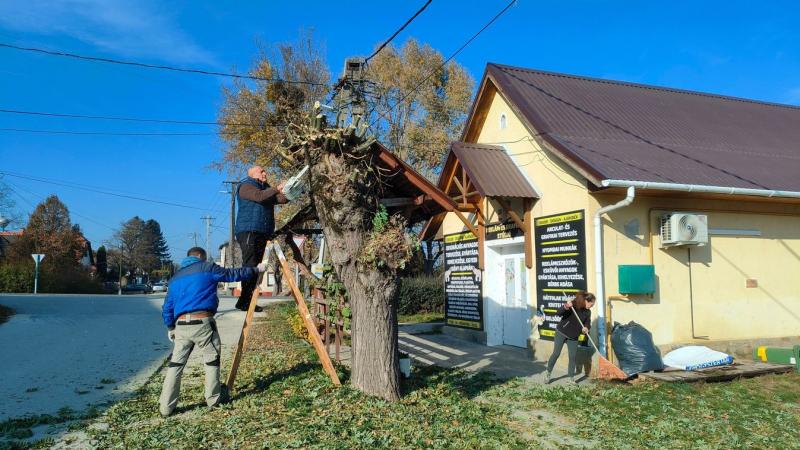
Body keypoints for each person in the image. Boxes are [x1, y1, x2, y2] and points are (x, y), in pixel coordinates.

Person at [159, 247, 268, 417]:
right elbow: (232, 274)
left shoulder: (175, 278)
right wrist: (256, 270)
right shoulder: (207, 268)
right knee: (211, 360)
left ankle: (166, 407)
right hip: (203, 322)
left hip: (180, 325)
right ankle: (213, 399)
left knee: (176, 365)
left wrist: (170, 327)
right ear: (200, 256)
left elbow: (167, 307)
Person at [234, 165, 288, 312]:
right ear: (252, 174)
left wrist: (291, 190)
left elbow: (281, 199)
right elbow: (260, 196)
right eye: (262, 171)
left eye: (265, 170)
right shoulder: (246, 185)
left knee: (258, 268)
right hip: (249, 231)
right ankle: (245, 301)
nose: (265, 173)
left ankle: (247, 301)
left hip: (263, 231)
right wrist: (277, 187)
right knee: (250, 265)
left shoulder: (266, 188)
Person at [543, 291, 596, 385]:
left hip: (574, 336)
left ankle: (571, 378)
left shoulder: (588, 312)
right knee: (556, 353)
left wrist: (586, 328)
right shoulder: (573, 305)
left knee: (572, 357)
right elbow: (558, 313)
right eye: (591, 304)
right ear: (586, 301)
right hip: (562, 332)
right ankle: (548, 373)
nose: (591, 307)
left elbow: (587, 322)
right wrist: (566, 306)